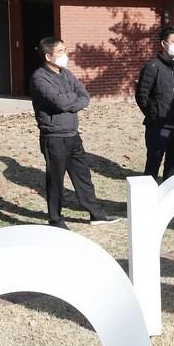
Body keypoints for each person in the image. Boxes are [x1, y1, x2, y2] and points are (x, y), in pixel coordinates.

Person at [29, 36, 120, 228]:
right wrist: (71, 100)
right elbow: (59, 102)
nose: (65, 55)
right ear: (48, 56)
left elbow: (84, 96)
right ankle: (56, 219)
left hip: (73, 134)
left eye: (64, 50)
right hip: (54, 137)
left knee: (83, 176)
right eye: (60, 51)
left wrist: (69, 101)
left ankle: (96, 214)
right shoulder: (39, 78)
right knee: (56, 180)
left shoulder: (66, 73)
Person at [135, 24, 174, 181]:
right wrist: (154, 113)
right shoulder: (152, 67)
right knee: (153, 164)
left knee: (172, 166)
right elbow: (141, 96)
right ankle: (148, 200)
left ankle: (168, 200)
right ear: (164, 44)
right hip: (158, 126)